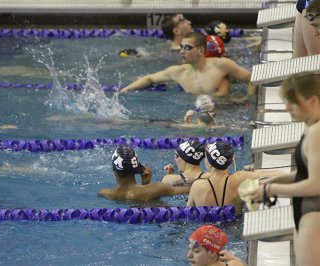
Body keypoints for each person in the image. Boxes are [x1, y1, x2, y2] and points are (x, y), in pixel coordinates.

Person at [248, 72, 320, 266]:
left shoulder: (317, 133)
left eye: (292, 102)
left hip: (314, 214)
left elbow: (316, 185)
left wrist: (271, 190)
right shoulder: (312, 127)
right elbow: (309, 171)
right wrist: (276, 180)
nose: (287, 108)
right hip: (308, 210)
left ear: (312, 101)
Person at [119, 32, 256, 100]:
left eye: (187, 47)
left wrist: (245, 99)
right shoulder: (178, 72)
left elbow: (253, 79)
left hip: (228, 113)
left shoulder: (221, 65)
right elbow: (150, 79)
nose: (182, 51)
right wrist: (125, 90)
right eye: (181, 47)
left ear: (201, 50)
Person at [186, 141, 285, 213]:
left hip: (205, 233)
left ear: (210, 163)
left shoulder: (197, 186)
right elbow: (280, 174)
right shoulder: (239, 178)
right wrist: (257, 171)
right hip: (234, 227)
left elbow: (187, 215)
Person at [97, 144, 191, 201]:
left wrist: (145, 184)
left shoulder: (105, 193)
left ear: (114, 171)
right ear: (137, 169)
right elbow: (192, 188)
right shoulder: (157, 188)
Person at [161, 14, 225, 57]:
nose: (189, 22)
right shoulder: (192, 53)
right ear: (176, 31)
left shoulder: (167, 50)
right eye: (183, 21)